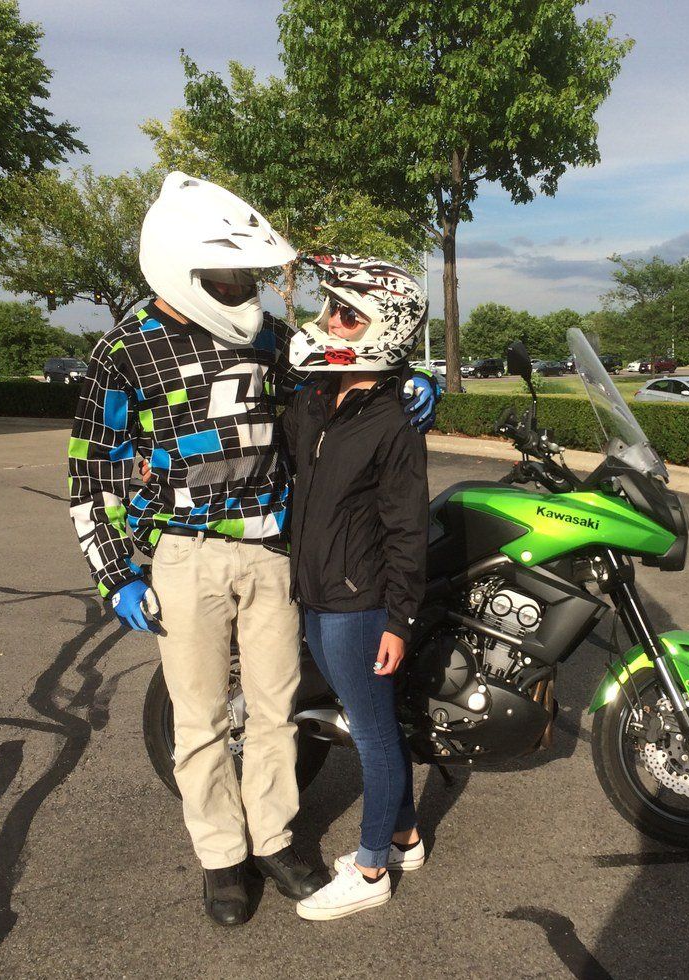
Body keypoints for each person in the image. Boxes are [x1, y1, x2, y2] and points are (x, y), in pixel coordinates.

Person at [68, 174, 438, 926]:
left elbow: (349, 376)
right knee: (201, 719)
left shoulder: (268, 337)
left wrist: (412, 378)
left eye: (247, 276)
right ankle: (221, 859)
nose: (243, 289)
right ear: (184, 266)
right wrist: (115, 572)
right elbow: (92, 468)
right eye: (228, 275)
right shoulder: (126, 349)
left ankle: (273, 839)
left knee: (276, 712)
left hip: (275, 551)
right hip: (186, 554)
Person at [281, 256, 429, 921]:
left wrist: (399, 620)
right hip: (314, 593)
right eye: (330, 307)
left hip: (359, 604)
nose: (328, 321)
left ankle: (371, 869)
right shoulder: (318, 398)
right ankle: (405, 837)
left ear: (383, 328)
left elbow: (406, 529)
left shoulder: (393, 422)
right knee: (371, 720)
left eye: (346, 313)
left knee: (372, 732)